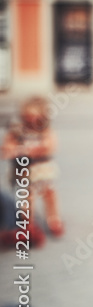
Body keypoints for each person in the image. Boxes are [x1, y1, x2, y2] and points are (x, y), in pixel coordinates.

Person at [1, 95, 62, 248]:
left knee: (49, 193)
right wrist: (12, 150)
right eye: (28, 117)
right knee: (27, 198)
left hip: (42, 169)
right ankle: (28, 225)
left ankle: (53, 219)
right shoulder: (17, 131)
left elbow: (49, 145)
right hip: (24, 171)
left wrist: (31, 150)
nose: (31, 121)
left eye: (35, 117)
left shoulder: (45, 131)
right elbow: (7, 148)